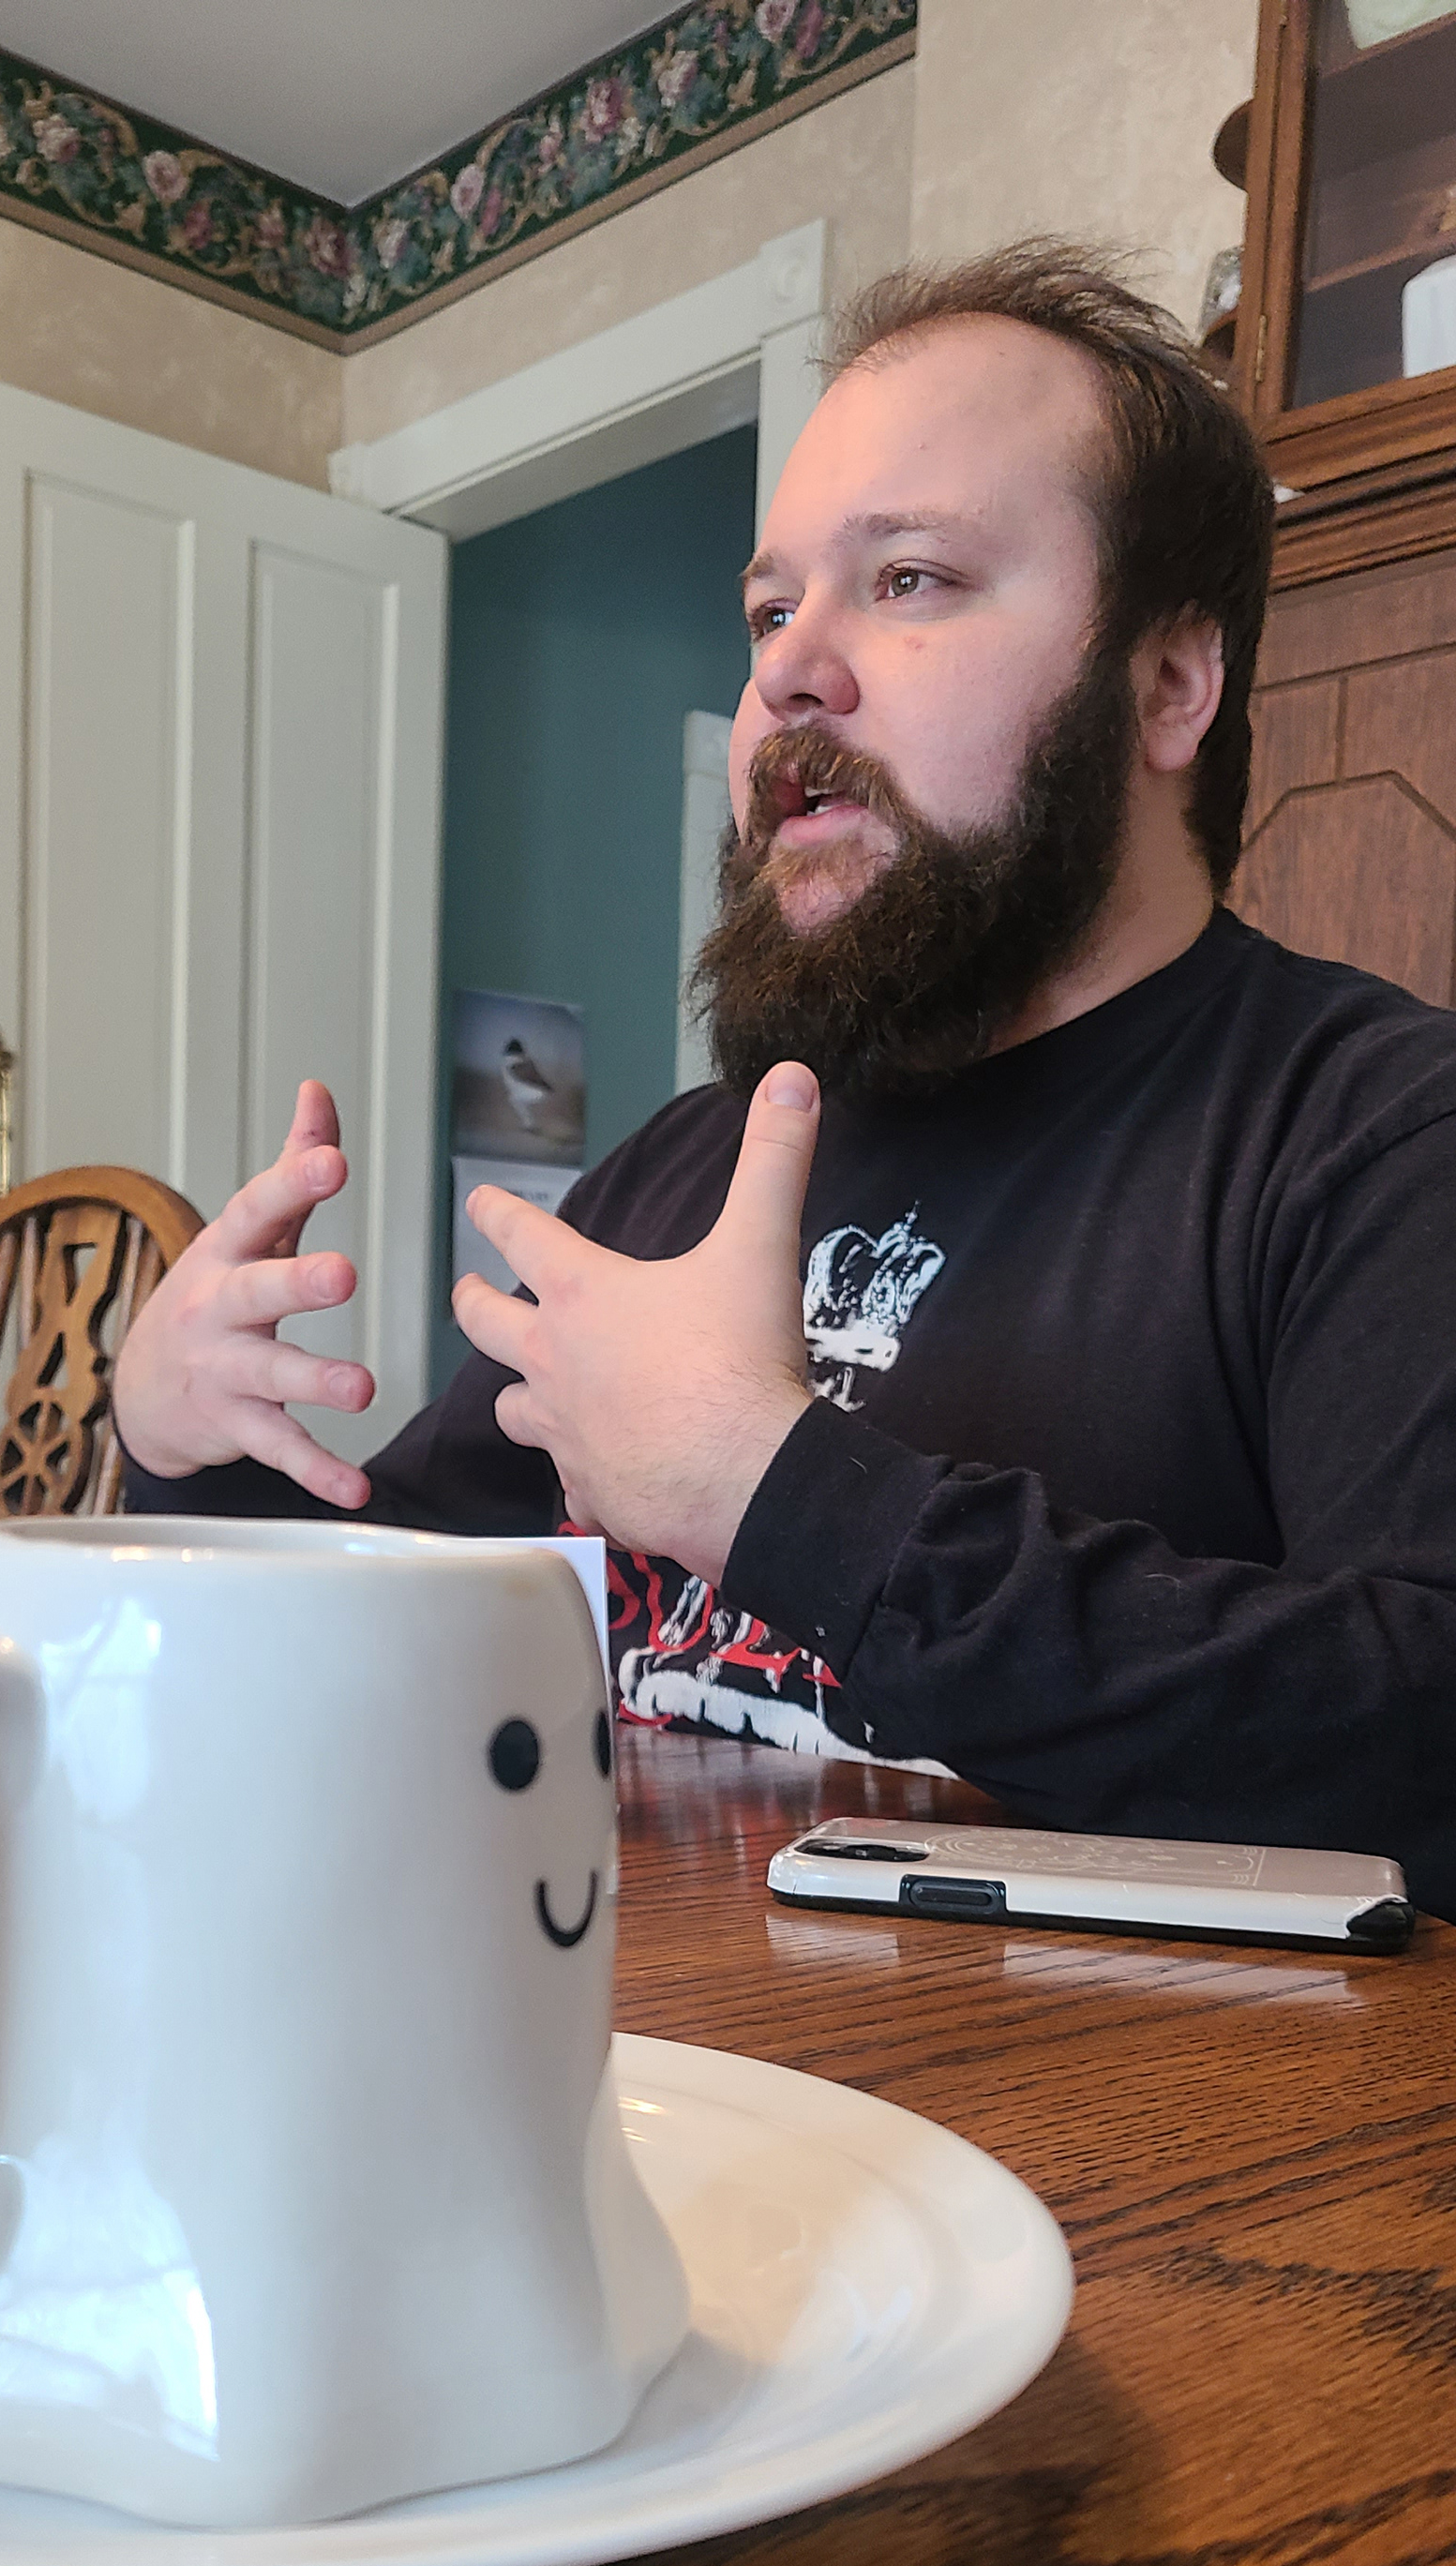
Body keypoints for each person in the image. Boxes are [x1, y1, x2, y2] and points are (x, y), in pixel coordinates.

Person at [115, 242, 1456, 1913]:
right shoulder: (688, 1169)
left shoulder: (1374, 1134)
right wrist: (188, 1451)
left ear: (1171, 682)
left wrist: (782, 1495)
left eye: (911, 580)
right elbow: (407, 1626)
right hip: (625, 2049)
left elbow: (1425, 1734)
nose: (785, 672)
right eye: (769, 610)